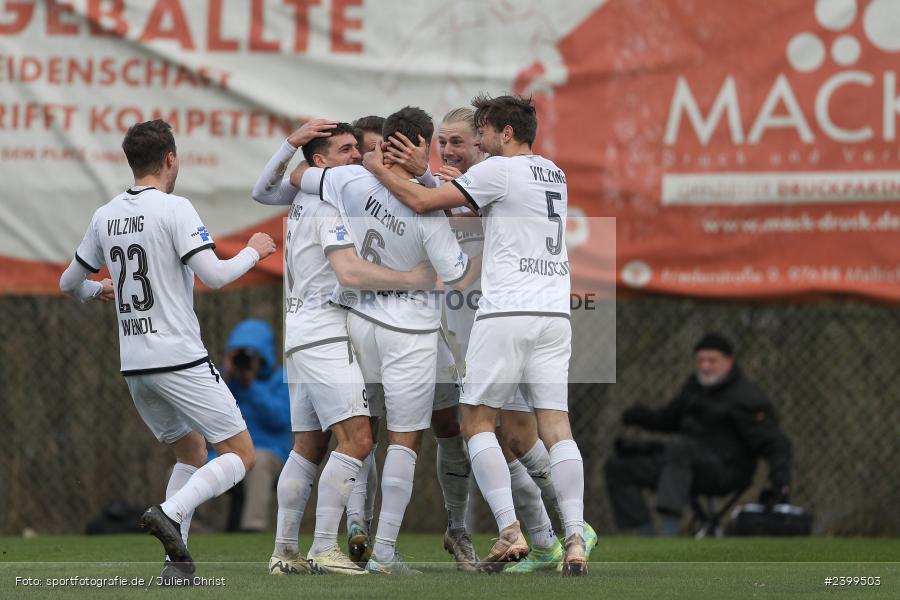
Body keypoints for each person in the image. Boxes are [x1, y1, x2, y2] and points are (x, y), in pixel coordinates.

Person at [363, 94, 589, 576]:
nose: (479, 142)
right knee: (557, 427)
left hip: (507, 310)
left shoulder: (498, 170)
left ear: (505, 133)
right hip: (553, 311)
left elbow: (424, 201)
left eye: (481, 132)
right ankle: (573, 538)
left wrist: (378, 168)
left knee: (475, 422)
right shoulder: (554, 172)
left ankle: (508, 530)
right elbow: (471, 211)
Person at [59, 119, 276, 582]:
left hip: (135, 365)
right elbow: (215, 276)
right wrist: (256, 251)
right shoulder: (175, 208)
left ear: (131, 161)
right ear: (171, 159)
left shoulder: (105, 214)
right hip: (178, 357)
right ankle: (169, 511)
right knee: (241, 455)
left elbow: (67, 282)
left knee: (190, 454)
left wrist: (96, 290)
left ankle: (175, 567)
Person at [296, 106, 481, 574]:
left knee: (359, 436)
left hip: (358, 323)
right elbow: (456, 277)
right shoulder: (427, 207)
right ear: (421, 145)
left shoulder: (349, 181)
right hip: (409, 332)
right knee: (403, 440)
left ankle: (327, 540)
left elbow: (294, 178)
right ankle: (383, 553)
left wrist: (374, 163)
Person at [251, 119, 436, 575]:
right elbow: (351, 274)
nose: (357, 155)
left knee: (307, 448)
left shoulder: (304, 198)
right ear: (321, 162)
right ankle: (323, 548)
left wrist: (288, 148)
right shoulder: (329, 204)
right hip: (325, 333)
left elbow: (264, 189)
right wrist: (413, 278)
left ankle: (283, 552)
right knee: (359, 439)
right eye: (347, 149)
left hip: (300, 332)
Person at [604, 332, 793, 535]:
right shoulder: (694, 387)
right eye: (700, 360)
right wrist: (639, 416)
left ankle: (669, 532)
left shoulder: (746, 397)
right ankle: (645, 535)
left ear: (729, 361)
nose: (705, 366)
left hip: (726, 471)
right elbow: (669, 419)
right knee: (619, 466)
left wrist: (780, 483)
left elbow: (776, 443)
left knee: (680, 447)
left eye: (712, 360)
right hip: (680, 465)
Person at [220, 319, 293, 532]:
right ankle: (191, 529)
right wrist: (228, 378)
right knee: (186, 467)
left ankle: (253, 528)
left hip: (270, 452)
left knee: (258, 461)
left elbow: (280, 418)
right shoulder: (223, 382)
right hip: (227, 452)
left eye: (250, 356)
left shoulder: (282, 379)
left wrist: (251, 386)